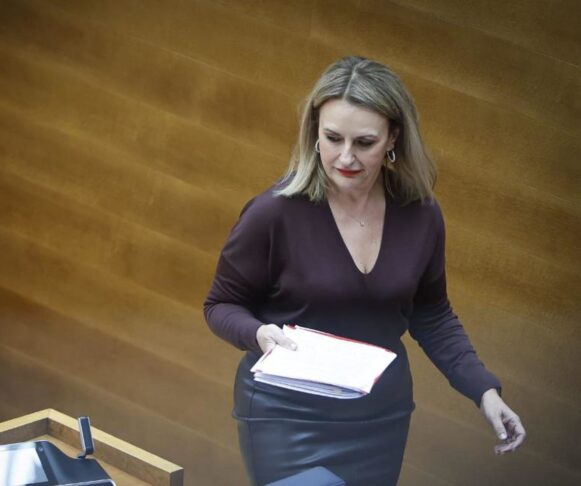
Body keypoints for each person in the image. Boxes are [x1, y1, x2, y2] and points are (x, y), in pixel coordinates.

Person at [203, 56, 526, 486]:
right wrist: (258, 334)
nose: (345, 157)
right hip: (286, 417)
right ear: (314, 132)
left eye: (365, 143)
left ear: (393, 137)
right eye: (332, 138)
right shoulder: (272, 213)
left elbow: (431, 313)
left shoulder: (421, 213)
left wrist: (483, 390)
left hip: (379, 420)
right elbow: (221, 304)